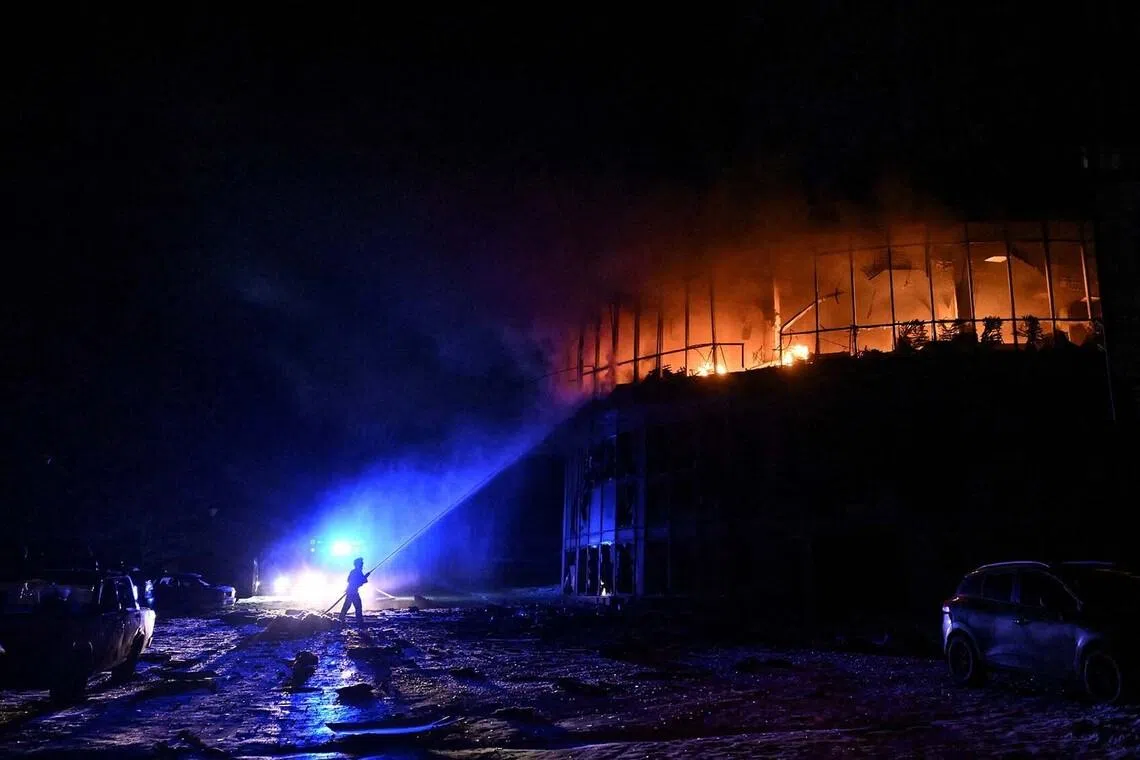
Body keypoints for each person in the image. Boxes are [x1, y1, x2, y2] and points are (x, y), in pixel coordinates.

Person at [340, 557, 369, 624]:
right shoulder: (355, 571)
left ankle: (341, 619)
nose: (362, 564)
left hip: (352, 592)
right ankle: (359, 622)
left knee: (348, 606)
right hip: (352, 592)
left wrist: (365, 577)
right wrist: (364, 577)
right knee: (356, 607)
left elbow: (363, 581)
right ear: (358, 564)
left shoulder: (357, 571)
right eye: (361, 563)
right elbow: (351, 580)